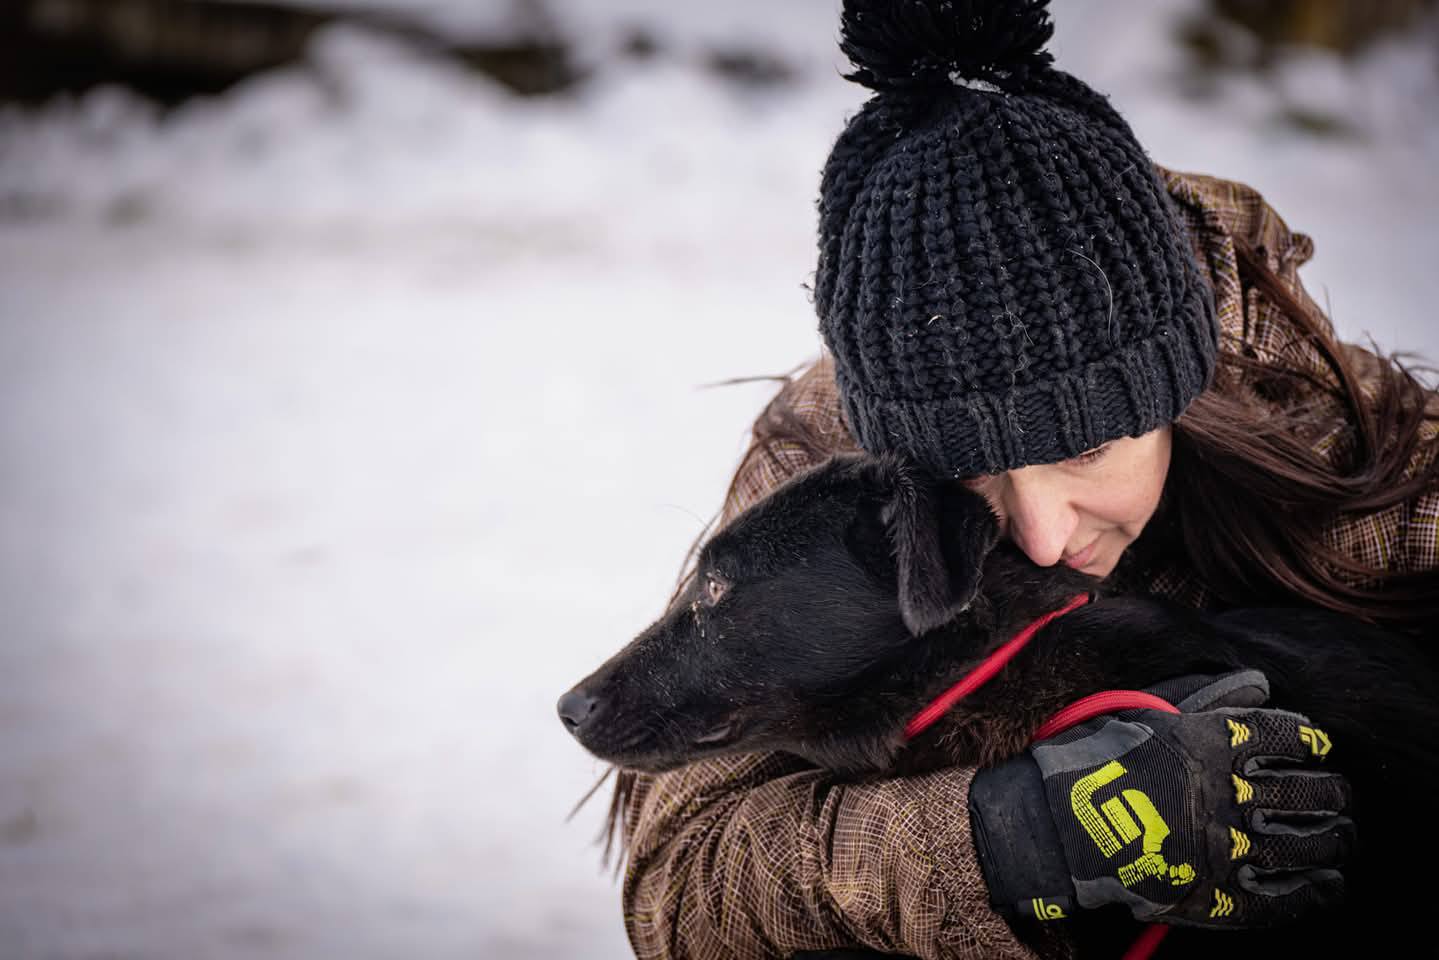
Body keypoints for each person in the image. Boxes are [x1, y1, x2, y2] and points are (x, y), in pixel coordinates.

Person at [613, 1, 1439, 957]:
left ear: (1179, 392)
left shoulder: (1326, 431)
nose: (1042, 536)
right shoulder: (830, 474)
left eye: (1084, 450)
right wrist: (999, 840)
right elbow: (682, 891)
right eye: (972, 476)